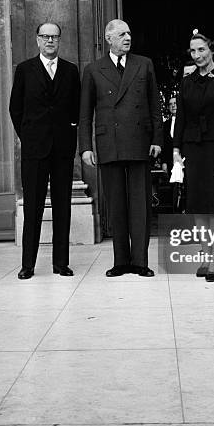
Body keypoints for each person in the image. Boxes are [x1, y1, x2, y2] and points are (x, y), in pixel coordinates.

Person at [79, 19, 163, 277]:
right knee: (116, 204)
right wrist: (85, 147)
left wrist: (157, 140)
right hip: (109, 143)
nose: (128, 37)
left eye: (129, 33)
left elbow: (154, 106)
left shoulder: (144, 64)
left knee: (140, 205)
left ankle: (140, 261)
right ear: (109, 39)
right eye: (122, 34)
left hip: (139, 142)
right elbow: (85, 114)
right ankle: (120, 261)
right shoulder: (94, 70)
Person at [9, 22, 80, 280]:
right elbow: (15, 108)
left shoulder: (71, 71)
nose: (50, 41)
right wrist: (27, 136)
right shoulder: (25, 70)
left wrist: (69, 134)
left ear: (60, 41)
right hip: (34, 150)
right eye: (45, 36)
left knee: (63, 207)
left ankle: (61, 263)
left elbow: (76, 108)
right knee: (33, 207)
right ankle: (28, 264)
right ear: (37, 40)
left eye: (54, 37)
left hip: (62, 149)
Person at [172, 31, 214, 281]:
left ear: (211, 50)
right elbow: (181, 117)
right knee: (198, 205)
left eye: (201, 50)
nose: (197, 55)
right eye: (193, 51)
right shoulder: (188, 81)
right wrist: (176, 150)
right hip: (193, 147)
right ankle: (203, 255)